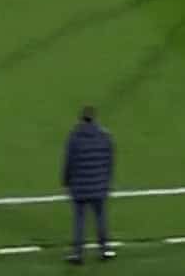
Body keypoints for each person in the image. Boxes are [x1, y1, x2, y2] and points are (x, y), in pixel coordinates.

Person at [62, 106, 115, 265]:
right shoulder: (105, 137)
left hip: (79, 187)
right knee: (100, 218)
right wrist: (107, 181)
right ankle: (105, 249)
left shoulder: (74, 138)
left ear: (81, 119)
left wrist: (66, 182)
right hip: (99, 186)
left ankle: (77, 254)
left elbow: (69, 162)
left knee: (79, 221)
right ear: (95, 119)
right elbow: (109, 161)